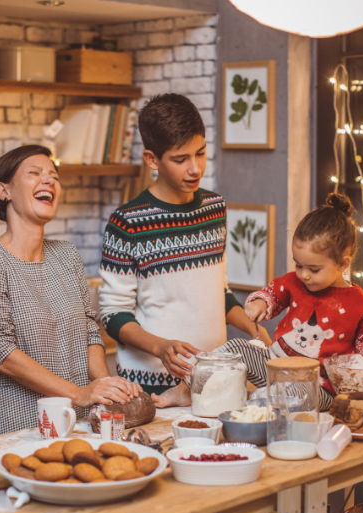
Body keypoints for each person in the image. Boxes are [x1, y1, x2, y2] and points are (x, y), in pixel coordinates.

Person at [99, 93, 272, 408]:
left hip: (215, 377)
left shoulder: (214, 207)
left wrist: (253, 328)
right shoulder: (126, 223)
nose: (195, 168)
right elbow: (113, 315)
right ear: (152, 159)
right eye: (180, 160)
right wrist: (161, 347)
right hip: (149, 384)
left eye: (201, 153)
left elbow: (218, 291)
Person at [0, 145, 141, 435]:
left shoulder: (66, 255)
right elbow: (0, 352)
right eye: (35, 173)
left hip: (77, 421)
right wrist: (79, 394)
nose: (49, 181)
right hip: (13, 427)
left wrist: (106, 392)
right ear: (3, 191)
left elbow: (88, 330)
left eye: (54, 176)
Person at [244, 192, 363, 409]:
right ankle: (195, 382)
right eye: (298, 265)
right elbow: (273, 294)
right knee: (237, 348)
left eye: (314, 269)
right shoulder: (294, 282)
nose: (304, 275)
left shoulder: (357, 301)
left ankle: (263, 402)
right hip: (275, 367)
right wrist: (261, 303)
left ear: (342, 264)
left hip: (318, 387)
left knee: (295, 392)